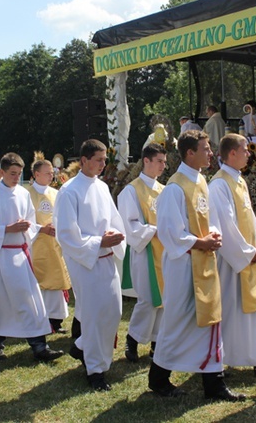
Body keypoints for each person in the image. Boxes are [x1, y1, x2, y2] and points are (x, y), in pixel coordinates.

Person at [148, 130, 245, 401]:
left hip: (203, 261)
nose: (211, 153)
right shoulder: (175, 188)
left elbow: (209, 218)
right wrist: (199, 242)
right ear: (190, 153)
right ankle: (157, 378)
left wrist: (213, 234)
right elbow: (169, 233)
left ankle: (214, 383)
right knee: (177, 321)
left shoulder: (201, 180)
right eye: (205, 148)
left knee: (209, 321)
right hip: (183, 265)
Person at [0, 153, 63, 362]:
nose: (16, 177)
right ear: (1, 172)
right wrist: (7, 229)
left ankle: (39, 346)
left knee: (29, 298)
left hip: (18, 254)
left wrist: (39, 229)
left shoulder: (23, 194)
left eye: (19, 173)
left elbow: (29, 222)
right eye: (12, 173)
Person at [55, 139, 127, 391]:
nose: (103, 164)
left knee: (113, 312)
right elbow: (65, 234)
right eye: (99, 159)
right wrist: (99, 241)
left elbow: (114, 219)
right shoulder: (69, 191)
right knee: (96, 315)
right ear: (83, 160)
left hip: (106, 259)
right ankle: (95, 370)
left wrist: (115, 237)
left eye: (105, 159)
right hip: (85, 262)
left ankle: (81, 347)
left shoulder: (101, 187)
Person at [209, 134, 256, 371]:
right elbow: (225, 225)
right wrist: (246, 253)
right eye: (245, 150)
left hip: (246, 257)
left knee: (250, 310)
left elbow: (249, 218)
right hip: (230, 261)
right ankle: (228, 357)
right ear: (232, 153)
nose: (249, 154)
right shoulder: (219, 184)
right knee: (232, 310)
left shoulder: (239, 181)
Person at [117, 142, 167, 363]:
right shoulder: (132, 190)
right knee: (147, 300)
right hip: (145, 252)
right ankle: (133, 340)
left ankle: (158, 344)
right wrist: (154, 230)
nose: (163, 166)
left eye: (164, 162)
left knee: (164, 300)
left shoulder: (164, 190)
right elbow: (130, 225)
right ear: (146, 161)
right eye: (159, 161)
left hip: (164, 253)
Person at [28, 157, 72, 335]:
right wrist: (41, 229)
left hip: (55, 245)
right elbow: (24, 221)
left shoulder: (56, 193)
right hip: (36, 244)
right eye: (47, 173)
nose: (51, 176)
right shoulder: (26, 195)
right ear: (36, 174)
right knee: (40, 284)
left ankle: (56, 320)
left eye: (52, 173)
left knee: (57, 281)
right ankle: (39, 320)